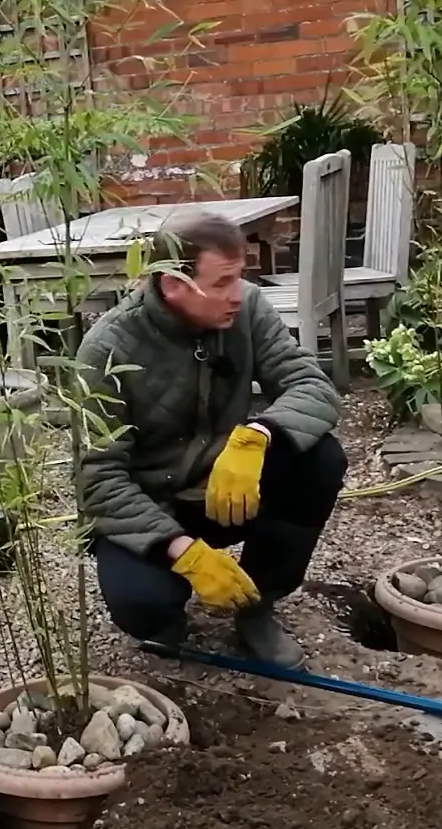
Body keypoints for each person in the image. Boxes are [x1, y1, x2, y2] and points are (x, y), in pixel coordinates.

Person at [74, 211, 346, 669]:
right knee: (141, 604)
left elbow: (313, 387)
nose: (237, 295)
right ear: (174, 283)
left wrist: (258, 436)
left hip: (228, 491)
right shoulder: (108, 349)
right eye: (221, 283)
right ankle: (167, 612)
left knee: (320, 459)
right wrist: (182, 552)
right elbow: (99, 479)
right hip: (155, 504)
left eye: (239, 278)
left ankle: (257, 602)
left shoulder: (250, 311)